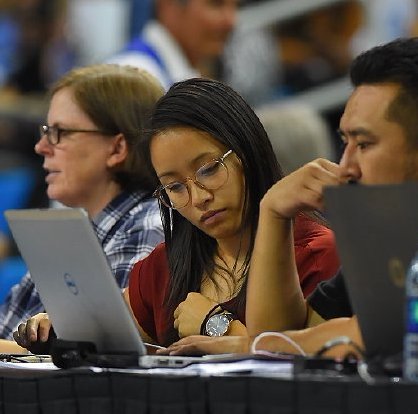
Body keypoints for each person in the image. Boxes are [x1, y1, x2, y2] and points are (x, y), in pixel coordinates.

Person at [14, 77, 340, 351]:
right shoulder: (163, 266)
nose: (198, 198)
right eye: (174, 187)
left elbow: (297, 360)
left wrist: (217, 325)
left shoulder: (316, 253)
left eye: (209, 170)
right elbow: (104, 323)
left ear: (247, 148)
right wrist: (60, 323)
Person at [152, 37, 418, 358]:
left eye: (364, 144)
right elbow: (285, 348)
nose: (346, 166)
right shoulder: (389, 238)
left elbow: (363, 337)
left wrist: (235, 336)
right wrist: (274, 211)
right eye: (344, 143)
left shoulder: (323, 247)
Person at [0, 63, 165, 352]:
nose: (42, 147)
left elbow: (97, 351)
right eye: (46, 131)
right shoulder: (69, 234)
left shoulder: (149, 225)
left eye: (60, 132)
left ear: (116, 149)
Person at [108, 0, 238, 89]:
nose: (230, 21)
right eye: (216, 4)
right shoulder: (135, 78)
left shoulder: (176, 74)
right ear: (168, 4)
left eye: (236, 6)